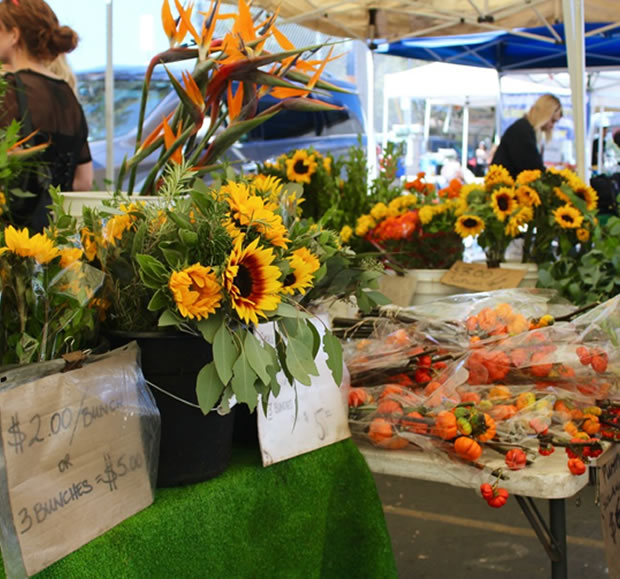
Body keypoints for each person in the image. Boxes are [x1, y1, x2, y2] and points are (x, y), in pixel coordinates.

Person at [0, 0, 92, 231]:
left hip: (12, 240)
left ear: (14, 35)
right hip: (57, 238)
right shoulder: (67, 94)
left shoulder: (9, 90)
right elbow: (83, 182)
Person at [491, 94, 563, 178]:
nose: (552, 126)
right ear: (544, 114)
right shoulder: (522, 132)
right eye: (552, 121)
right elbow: (533, 170)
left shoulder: (524, 129)